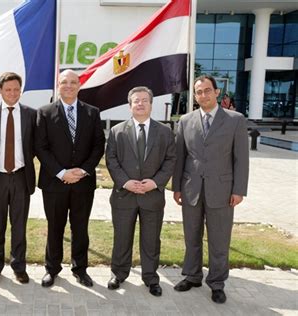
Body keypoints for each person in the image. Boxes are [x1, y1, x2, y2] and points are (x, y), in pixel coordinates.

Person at [172, 74, 249, 304]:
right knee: (191, 237)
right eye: (198, 91)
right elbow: (180, 157)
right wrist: (176, 187)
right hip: (191, 189)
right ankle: (193, 276)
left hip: (222, 191)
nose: (203, 95)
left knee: (219, 239)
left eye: (207, 90)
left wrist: (239, 190)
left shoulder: (235, 120)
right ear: (194, 96)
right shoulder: (185, 121)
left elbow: (241, 159)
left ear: (216, 92)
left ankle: (216, 283)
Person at [35, 69, 105, 288]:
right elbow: (41, 147)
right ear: (58, 84)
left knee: (80, 228)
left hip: (83, 183)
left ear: (79, 85)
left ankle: (80, 269)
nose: (68, 86)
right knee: (55, 227)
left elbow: (98, 146)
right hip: (54, 183)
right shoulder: (44, 112)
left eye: (73, 82)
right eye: (64, 82)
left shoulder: (92, 113)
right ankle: (52, 269)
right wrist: (62, 173)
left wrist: (83, 171)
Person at [105, 86, 176, 296]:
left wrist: (155, 182)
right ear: (130, 105)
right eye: (136, 101)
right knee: (122, 237)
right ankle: (118, 273)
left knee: (151, 239)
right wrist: (125, 182)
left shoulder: (164, 132)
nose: (141, 104)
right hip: (123, 196)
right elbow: (111, 160)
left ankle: (151, 278)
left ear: (151, 104)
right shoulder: (117, 131)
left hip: (152, 196)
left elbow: (171, 160)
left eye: (145, 100)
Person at [0, 72, 37, 285]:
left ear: (20, 91)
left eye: (16, 89)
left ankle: (19, 266)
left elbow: (35, 146)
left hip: (21, 177)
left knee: (19, 226)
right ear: (0, 90)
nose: (12, 93)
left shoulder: (31, 114)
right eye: (8, 89)